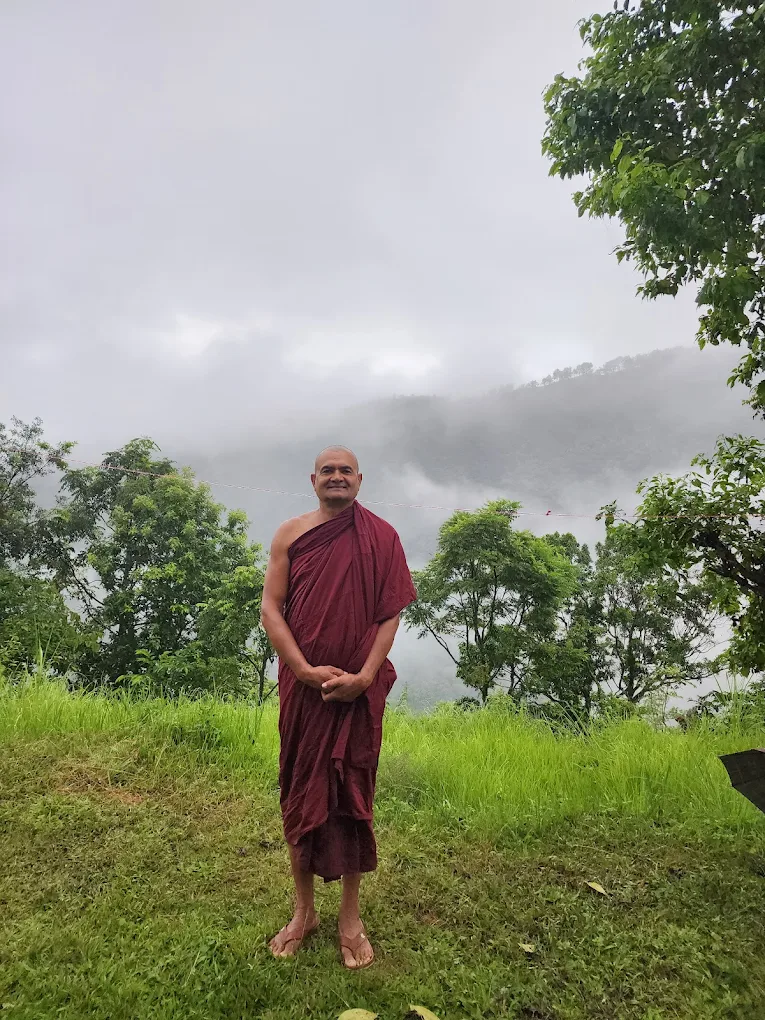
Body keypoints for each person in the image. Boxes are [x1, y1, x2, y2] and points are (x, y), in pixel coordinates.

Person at [260, 446, 416, 970]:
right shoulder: (290, 534)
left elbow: (390, 613)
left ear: (360, 480)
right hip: (304, 690)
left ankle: (350, 917)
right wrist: (302, 669)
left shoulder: (382, 537)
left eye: (345, 470)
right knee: (300, 792)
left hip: (357, 689)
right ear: (313, 480)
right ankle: (303, 912)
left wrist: (366, 675)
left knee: (352, 795)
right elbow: (270, 609)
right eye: (327, 470)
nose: (336, 477)